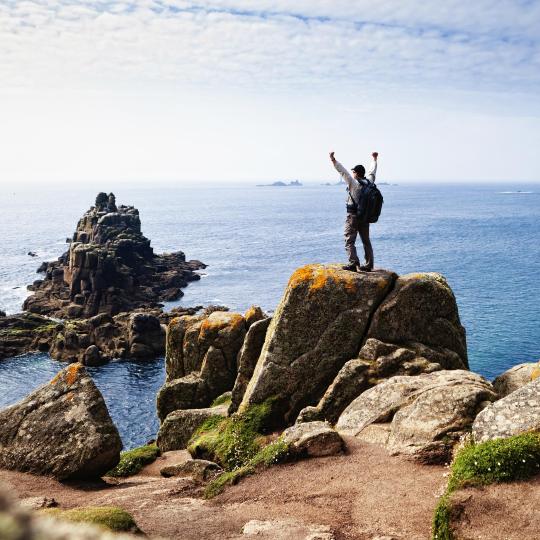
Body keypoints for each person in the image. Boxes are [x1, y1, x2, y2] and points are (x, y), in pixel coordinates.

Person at [330, 151, 379, 272]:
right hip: (365, 216)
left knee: (349, 239)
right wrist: (374, 159)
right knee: (366, 241)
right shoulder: (369, 182)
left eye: (354, 172)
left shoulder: (353, 183)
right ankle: (369, 264)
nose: (352, 173)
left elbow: (343, 171)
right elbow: (372, 172)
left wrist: (333, 160)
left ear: (356, 173)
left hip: (353, 216)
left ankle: (353, 263)